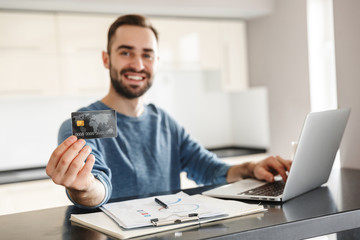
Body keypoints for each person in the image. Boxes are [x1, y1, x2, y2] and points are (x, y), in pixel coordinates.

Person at [46, 14, 292, 209]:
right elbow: (98, 187)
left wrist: (251, 168)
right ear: (106, 59)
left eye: (147, 54)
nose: (138, 64)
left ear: (156, 61)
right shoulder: (86, 123)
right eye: (126, 52)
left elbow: (209, 169)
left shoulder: (163, 122)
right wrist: (84, 187)